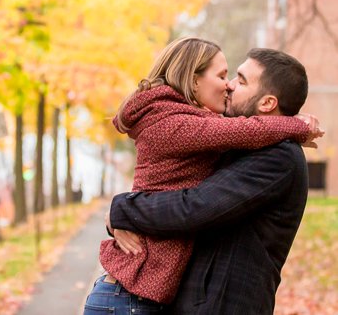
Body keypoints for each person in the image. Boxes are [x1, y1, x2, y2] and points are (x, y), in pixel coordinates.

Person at [82, 38, 319, 315]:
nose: (229, 84)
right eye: (224, 76)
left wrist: (121, 209)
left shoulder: (277, 157)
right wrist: (294, 124)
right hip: (135, 297)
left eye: (240, 81)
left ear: (267, 103)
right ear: (193, 81)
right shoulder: (185, 127)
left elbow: (192, 207)